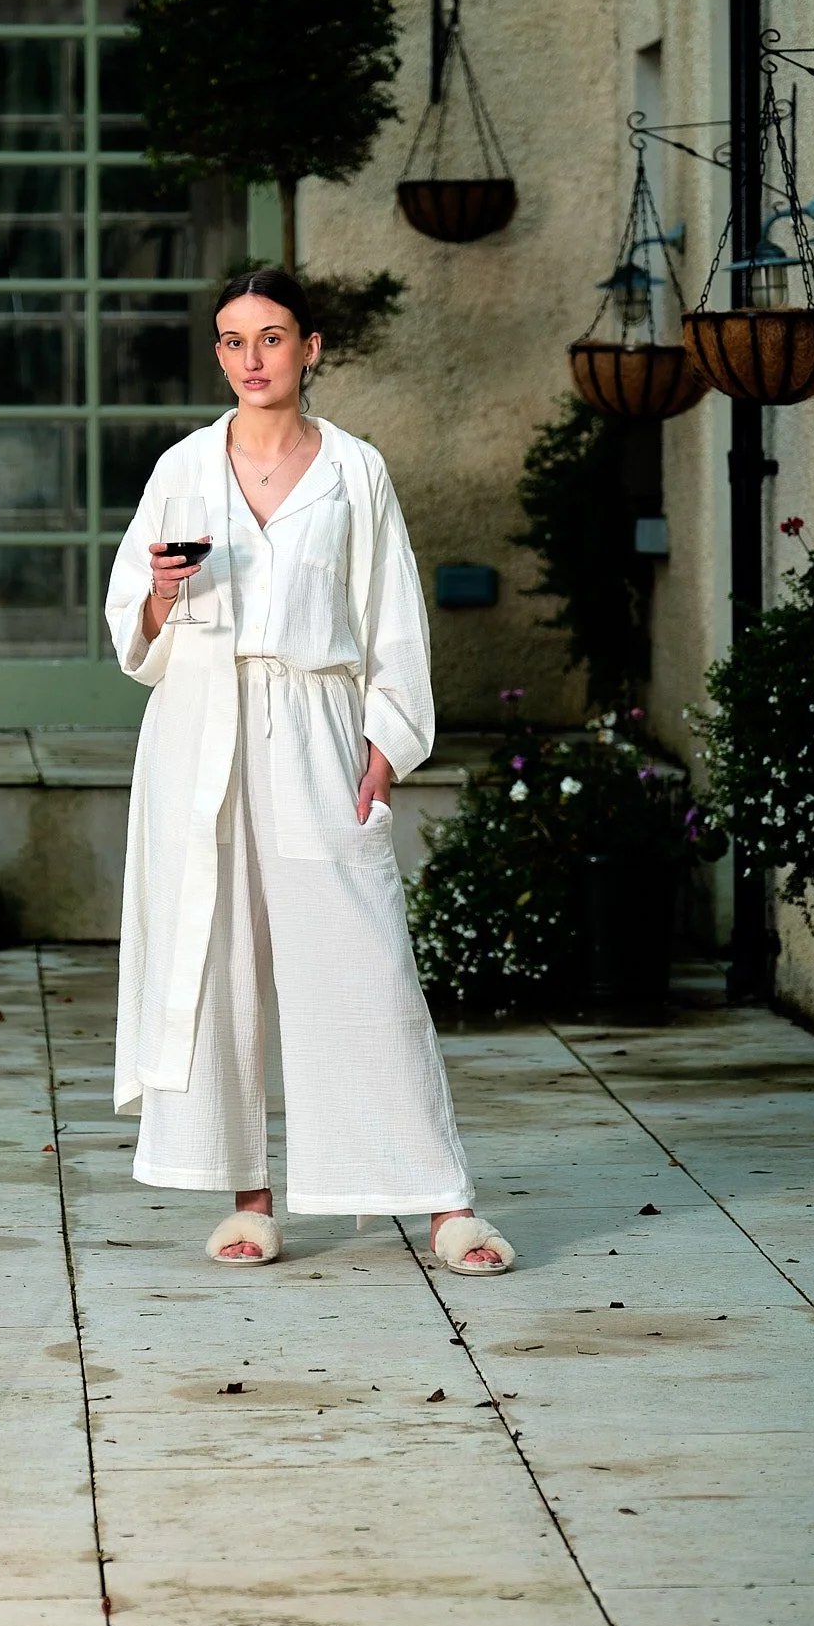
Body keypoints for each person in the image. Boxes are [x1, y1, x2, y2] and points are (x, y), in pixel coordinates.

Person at [104, 269, 512, 1276]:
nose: (252, 359)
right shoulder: (183, 469)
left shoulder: (356, 471)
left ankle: (443, 1201)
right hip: (200, 729)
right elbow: (129, 628)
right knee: (219, 958)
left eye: (272, 338)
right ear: (218, 355)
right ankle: (250, 1199)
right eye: (234, 341)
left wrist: (385, 743)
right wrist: (159, 595)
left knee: (364, 963)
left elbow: (393, 618)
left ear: (311, 349)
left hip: (319, 727)